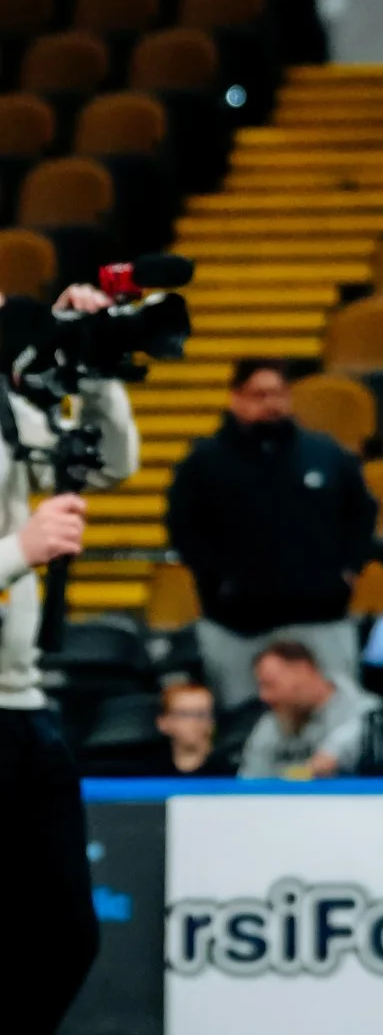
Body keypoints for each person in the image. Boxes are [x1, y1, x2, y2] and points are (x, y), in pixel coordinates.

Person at [0, 282, 140, 1034]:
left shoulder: (16, 402)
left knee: (63, 936)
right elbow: (27, 542)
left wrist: (94, 367)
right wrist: (19, 550)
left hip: (23, 707)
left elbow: (111, 465)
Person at [166, 357, 378, 711]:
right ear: (236, 398)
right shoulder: (204, 461)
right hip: (236, 626)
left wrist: (348, 570)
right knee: (241, 723)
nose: (271, 404)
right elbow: (183, 528)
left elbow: (363, 513)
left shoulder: (325, 454)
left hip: (321, 618)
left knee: (338, 720)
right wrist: (219, 580)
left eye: (279, 394)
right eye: (259, 395)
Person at [238, 636, 382, 778]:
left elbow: (326, 762)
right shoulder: (270, 724)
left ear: (303, 671)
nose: (264, 696)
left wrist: (301, 773)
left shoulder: (366, 713)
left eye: (270, 684)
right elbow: (249, 781)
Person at [148, 680, 234, 778]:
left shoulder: (230, 772)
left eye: (202, 714)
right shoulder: (146, 774)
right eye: (185, 714)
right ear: (163, 722)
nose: (195, 722)